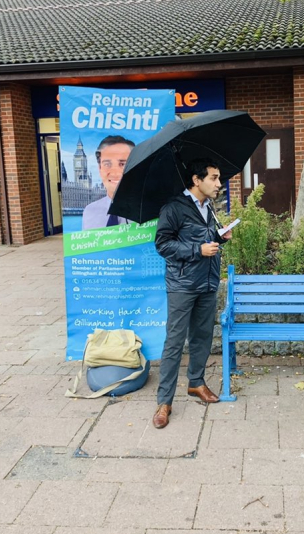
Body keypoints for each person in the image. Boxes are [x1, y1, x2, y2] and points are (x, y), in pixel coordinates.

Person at [152, 159, 232, 428]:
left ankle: (196, 383)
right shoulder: (174, 207)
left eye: (219, 178)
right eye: (213, 178)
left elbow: (204, 236)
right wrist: (197, 250)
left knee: (202, 336)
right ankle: (164, 401)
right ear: (197, 180)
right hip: (183, 285)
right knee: (174, 342)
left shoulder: (208, 206)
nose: (219, 184)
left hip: (207, 282)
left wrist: (220, 236)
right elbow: (163, 244)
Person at [81, 135, 135, 229]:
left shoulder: (151, 212)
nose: (114, 172)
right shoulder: (89, 212)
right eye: (107, 164)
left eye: (122, 164)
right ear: (99, 169)